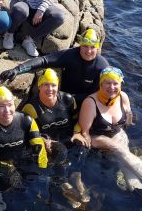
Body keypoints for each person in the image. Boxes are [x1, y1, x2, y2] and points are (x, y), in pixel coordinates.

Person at [21, 68, 90, 207]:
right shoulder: (31, 108)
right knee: (61, 151)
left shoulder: (67, 99)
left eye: (53, 85)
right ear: (39, 87)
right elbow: (26, 132)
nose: (50, 89)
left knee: (84, 146)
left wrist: (77, 132)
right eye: (45, 85)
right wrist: (42, 140)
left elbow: (78, 120)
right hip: (50, 144)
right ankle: (62, 182)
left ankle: (77, 175)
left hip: (68, 137)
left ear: (58, 85)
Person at [75, 66, 142, 191]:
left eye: (116, 83)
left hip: (117, 133)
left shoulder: (123, 97)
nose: (112, 87)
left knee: (123, 158)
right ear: (101, 84)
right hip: (97, 137)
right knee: (119, 149)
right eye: (107, 83)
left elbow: (129, 119)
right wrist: (105, 143)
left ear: (121, 84)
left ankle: (139, 190)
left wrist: (124, 134)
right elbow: (85, 134)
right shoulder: (90, 102)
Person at [0, 28, 109, 107]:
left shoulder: (102, 66)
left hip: (85, 104)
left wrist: (71, 99)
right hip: (60, 101)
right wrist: (17, 70)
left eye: (92, 47)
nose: (88, 51)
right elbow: (44, 60)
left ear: (98, 48)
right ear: (80, 45)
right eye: (85, 46)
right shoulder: (71, 55)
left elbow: (98, 95)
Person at [0, 86, 48, 189]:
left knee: (60, 153)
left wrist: (42, 169)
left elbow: (38, 145)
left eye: (10, 105)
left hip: (22, 158)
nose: (7, 110)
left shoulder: (27, 120)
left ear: (14, 105)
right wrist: (0, 165)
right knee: (9, 180)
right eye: (2, 106)